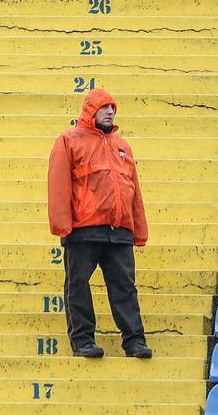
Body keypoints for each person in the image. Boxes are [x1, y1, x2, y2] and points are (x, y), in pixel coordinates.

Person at [46, 87, 152, 359]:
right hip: (83, 229)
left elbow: (134, 190)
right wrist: (62, 225)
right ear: (90, 110)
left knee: (125, 287)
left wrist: (138, 228)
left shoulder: (122, 146)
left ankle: (134, 341)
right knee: (78, 284)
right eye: (104, 107)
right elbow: (58, 185)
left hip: (119, 230)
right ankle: (83, 341)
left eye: (113, 108)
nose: (110, 112)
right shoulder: (69, 141)